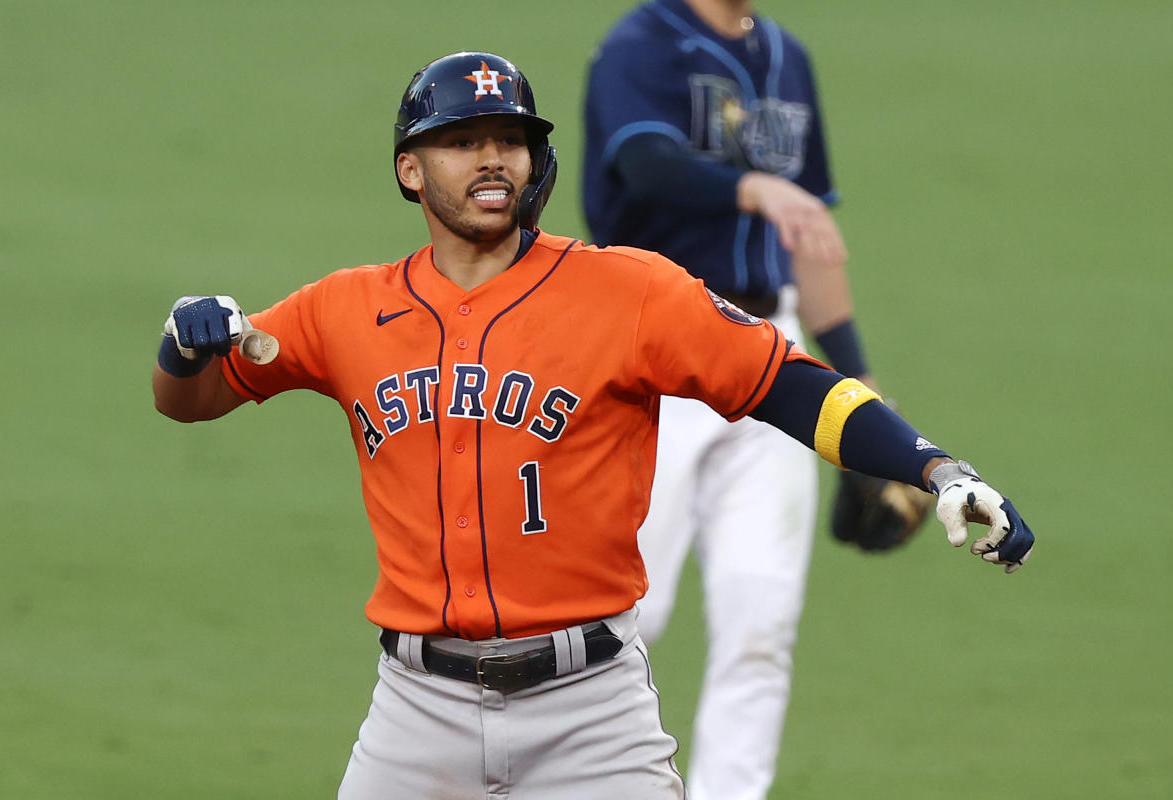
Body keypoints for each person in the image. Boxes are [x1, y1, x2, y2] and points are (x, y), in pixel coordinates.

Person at [152, 51, 1033, 800]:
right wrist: (182, 350)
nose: (491, 159)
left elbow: (788, 384)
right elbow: (190, 398)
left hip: (592, 717)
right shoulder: (345, 310)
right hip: (415, 713)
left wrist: (936, 469)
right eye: (462, 142)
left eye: (511, 141)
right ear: (410, 170)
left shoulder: (629, 292)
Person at [581, 2, 905, 796]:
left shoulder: (786, 57)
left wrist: (856, 380)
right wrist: (759, 188)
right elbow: (647, 165)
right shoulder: (640, 47)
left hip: (767, 353)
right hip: (648, 361)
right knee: (622, 624)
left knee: (761, 628)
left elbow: (811, 231)